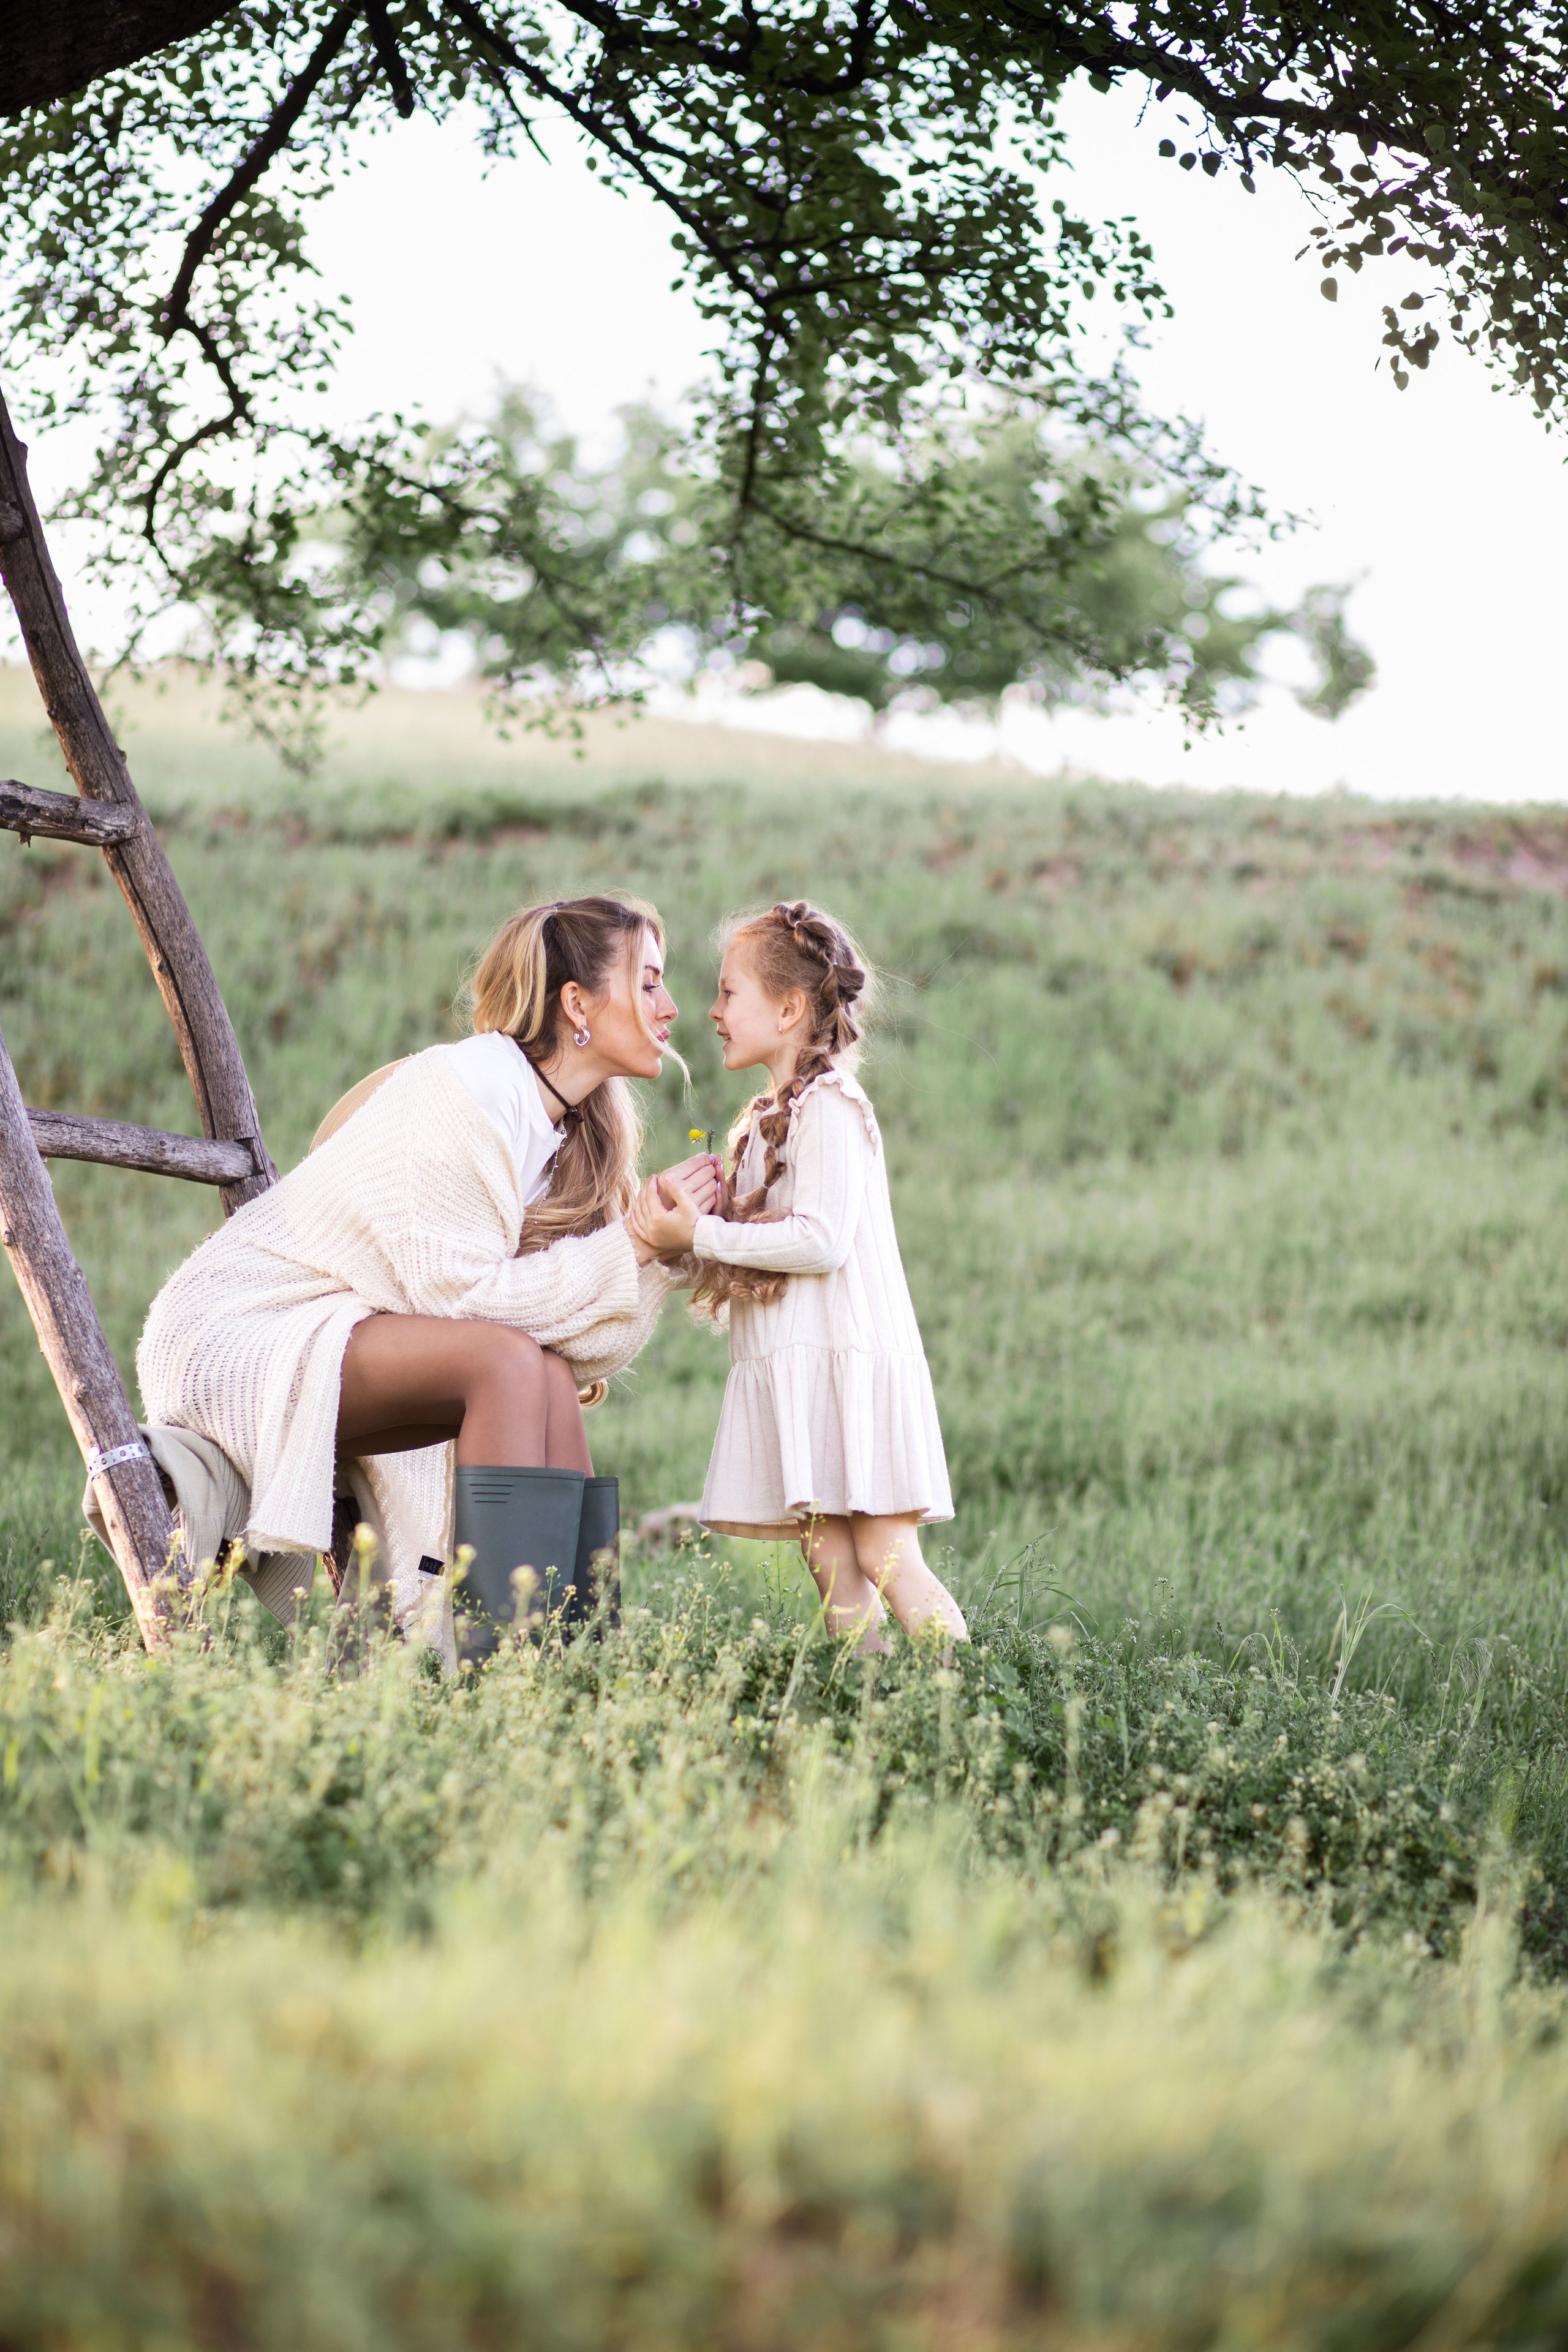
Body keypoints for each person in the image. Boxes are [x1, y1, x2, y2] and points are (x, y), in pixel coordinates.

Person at [137, 893, 715, 1654]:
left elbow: (581, 1349)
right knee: (509, 1361)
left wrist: (658, 1255)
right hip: (235, 1335)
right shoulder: (471, 1089)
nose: (670, 1007)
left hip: (338, 1332)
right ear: (576, 1001)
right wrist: (633, 1244)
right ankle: (491, 1671)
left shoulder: (560, 1129)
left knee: (544, 1379)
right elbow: (463, 1304)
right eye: (647, 981)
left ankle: (578, 1659)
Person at [630, 900, 966, 1653]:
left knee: (884, 1552)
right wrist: (680, 1236)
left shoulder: (833, 1109)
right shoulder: (760, 1122)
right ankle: (870, 1707)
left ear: (787, 1010)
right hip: (800, 1371)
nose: (710, 1011)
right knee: (827, 1555)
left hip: (845, 1363)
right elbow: (754, 1249)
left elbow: (819, 1241)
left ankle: (974, 1699)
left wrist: (708, 1232)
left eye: (726, 993)